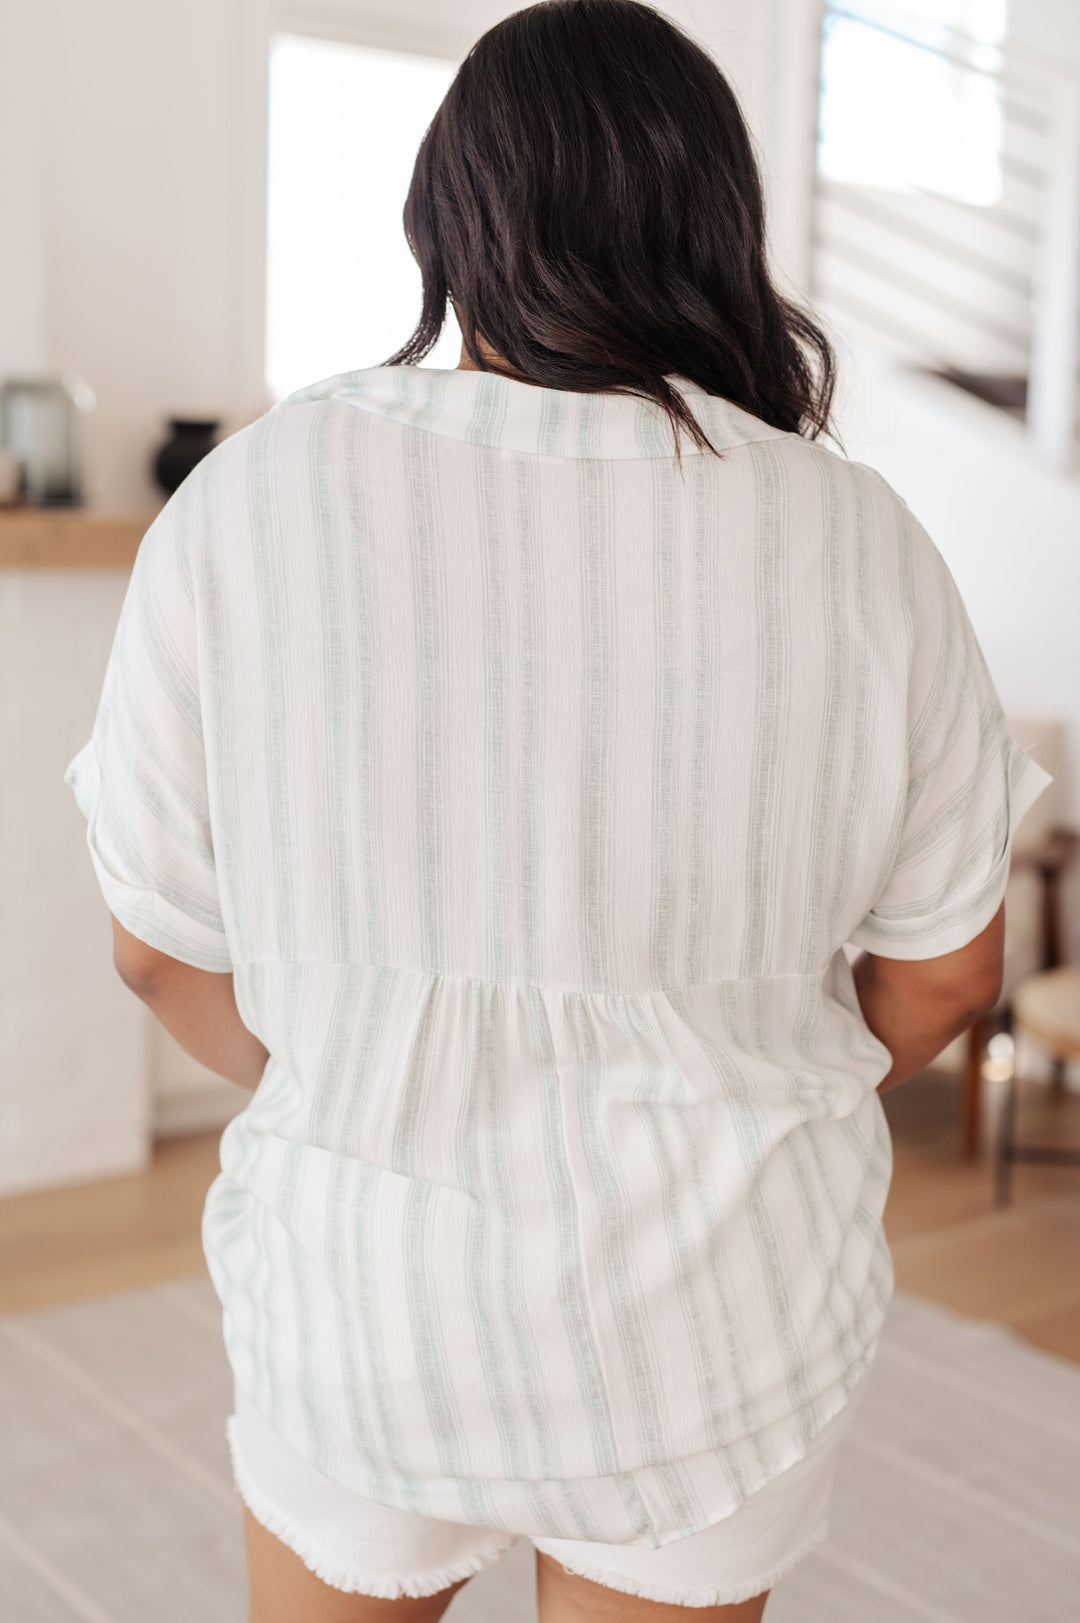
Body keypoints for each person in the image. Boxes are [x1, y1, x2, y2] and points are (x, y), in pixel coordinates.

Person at [64, 1, 1050, 1618]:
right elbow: (944, 976)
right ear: (715, 223)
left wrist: (352, 1066)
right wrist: (757, 1074)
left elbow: (158, 952)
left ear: (448, 218)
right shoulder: (860, 538)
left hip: (360, 1302)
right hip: (716, 1322)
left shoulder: (252, 495)